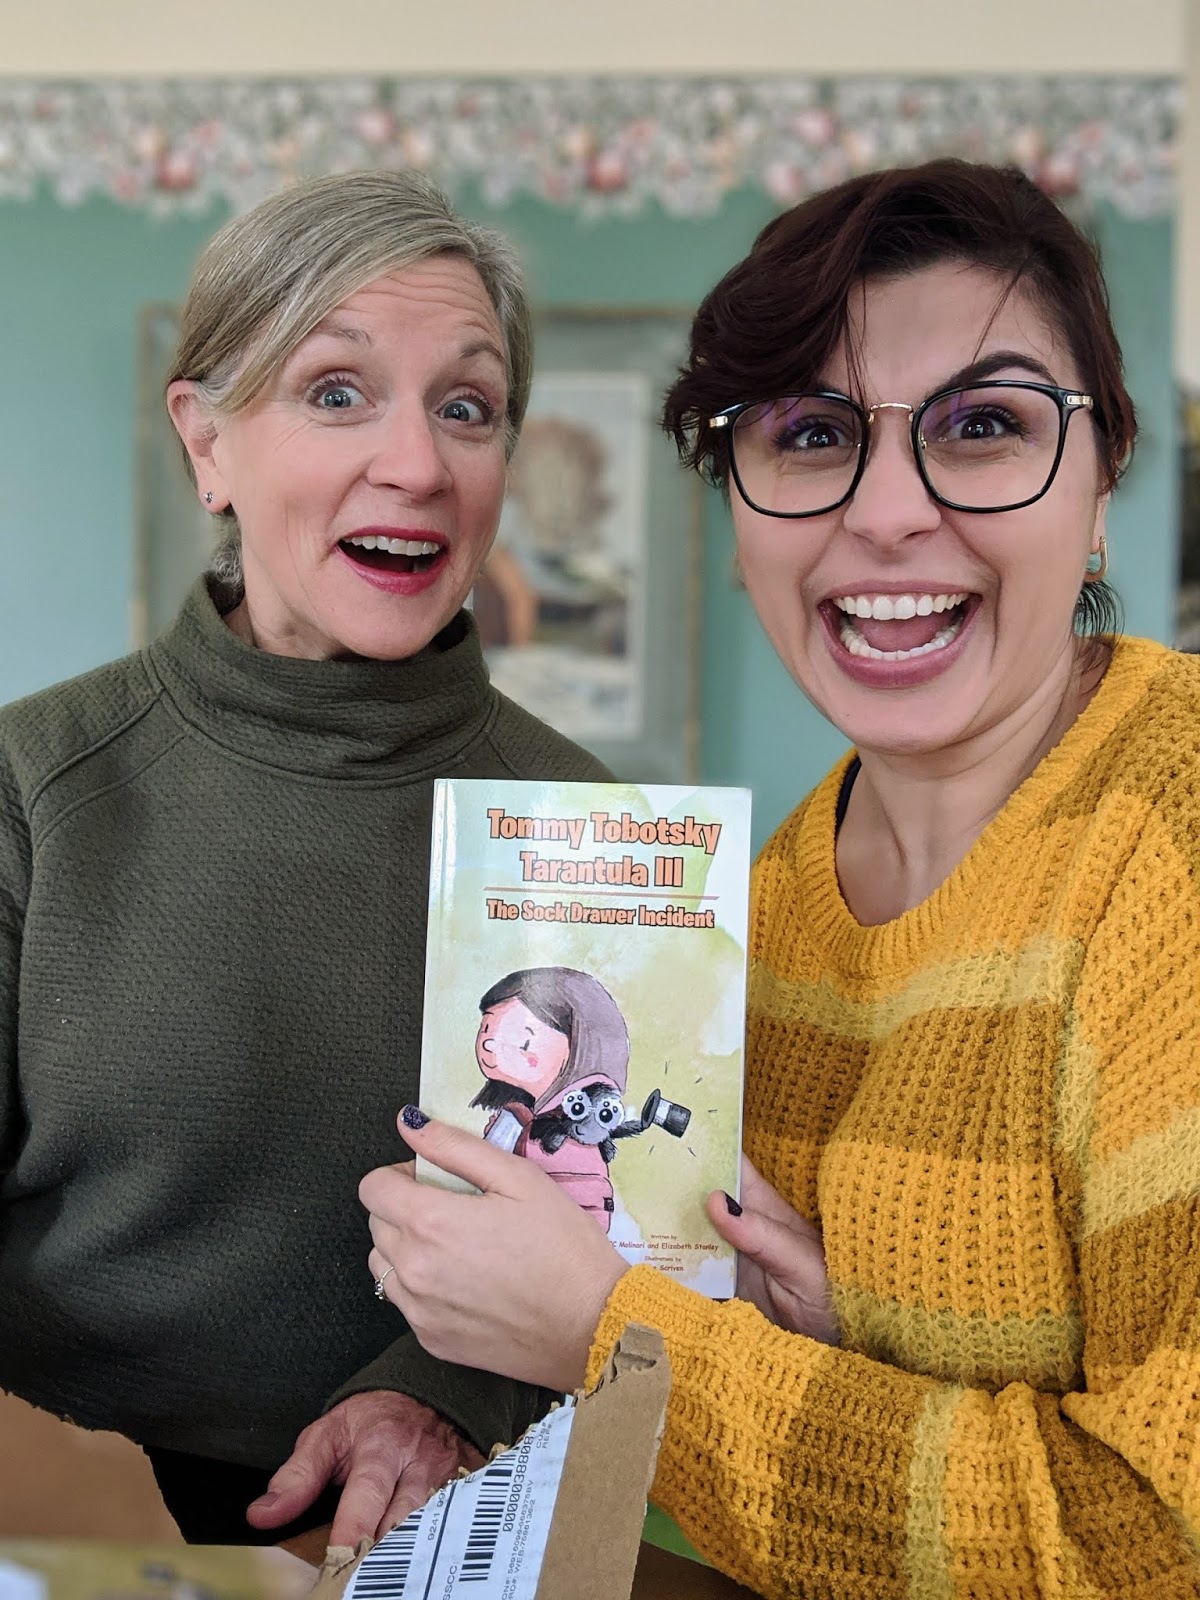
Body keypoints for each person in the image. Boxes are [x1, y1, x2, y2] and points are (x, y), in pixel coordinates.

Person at [362, 160, 1200, 1596]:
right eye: (813, 435)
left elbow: (1159, 1542)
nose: (889, 514)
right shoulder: (754, 915)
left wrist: (624, 1342)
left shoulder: (1171, 840)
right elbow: (771, 1446)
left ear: (1106, 474)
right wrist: (438, 1395)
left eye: (984, 426)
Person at [0, 169, 609, 1549]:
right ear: (205, 441)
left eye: (468, 407)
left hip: (448, 1520)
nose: (419, 465)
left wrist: (447, 1395)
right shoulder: (31, 789)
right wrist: (101, 1523)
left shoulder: (591, 828)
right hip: (66, 1514)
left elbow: (621, 1230)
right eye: (337, 392)